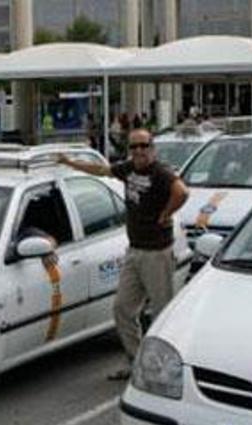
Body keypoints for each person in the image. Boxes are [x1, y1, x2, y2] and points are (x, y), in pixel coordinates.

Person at [57, 128, 189, 380]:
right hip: (135, 251)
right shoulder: (129, 169)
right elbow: (102, 170)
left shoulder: (159, 172)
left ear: (152, 147)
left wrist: (166, 214)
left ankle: (167, 370)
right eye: (134, 146)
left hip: (156, 253)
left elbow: (181, 192)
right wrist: (70, 163)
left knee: (162, 313)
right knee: (123, 309)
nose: (138, 151)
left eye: (143, 145)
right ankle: (137, 362)